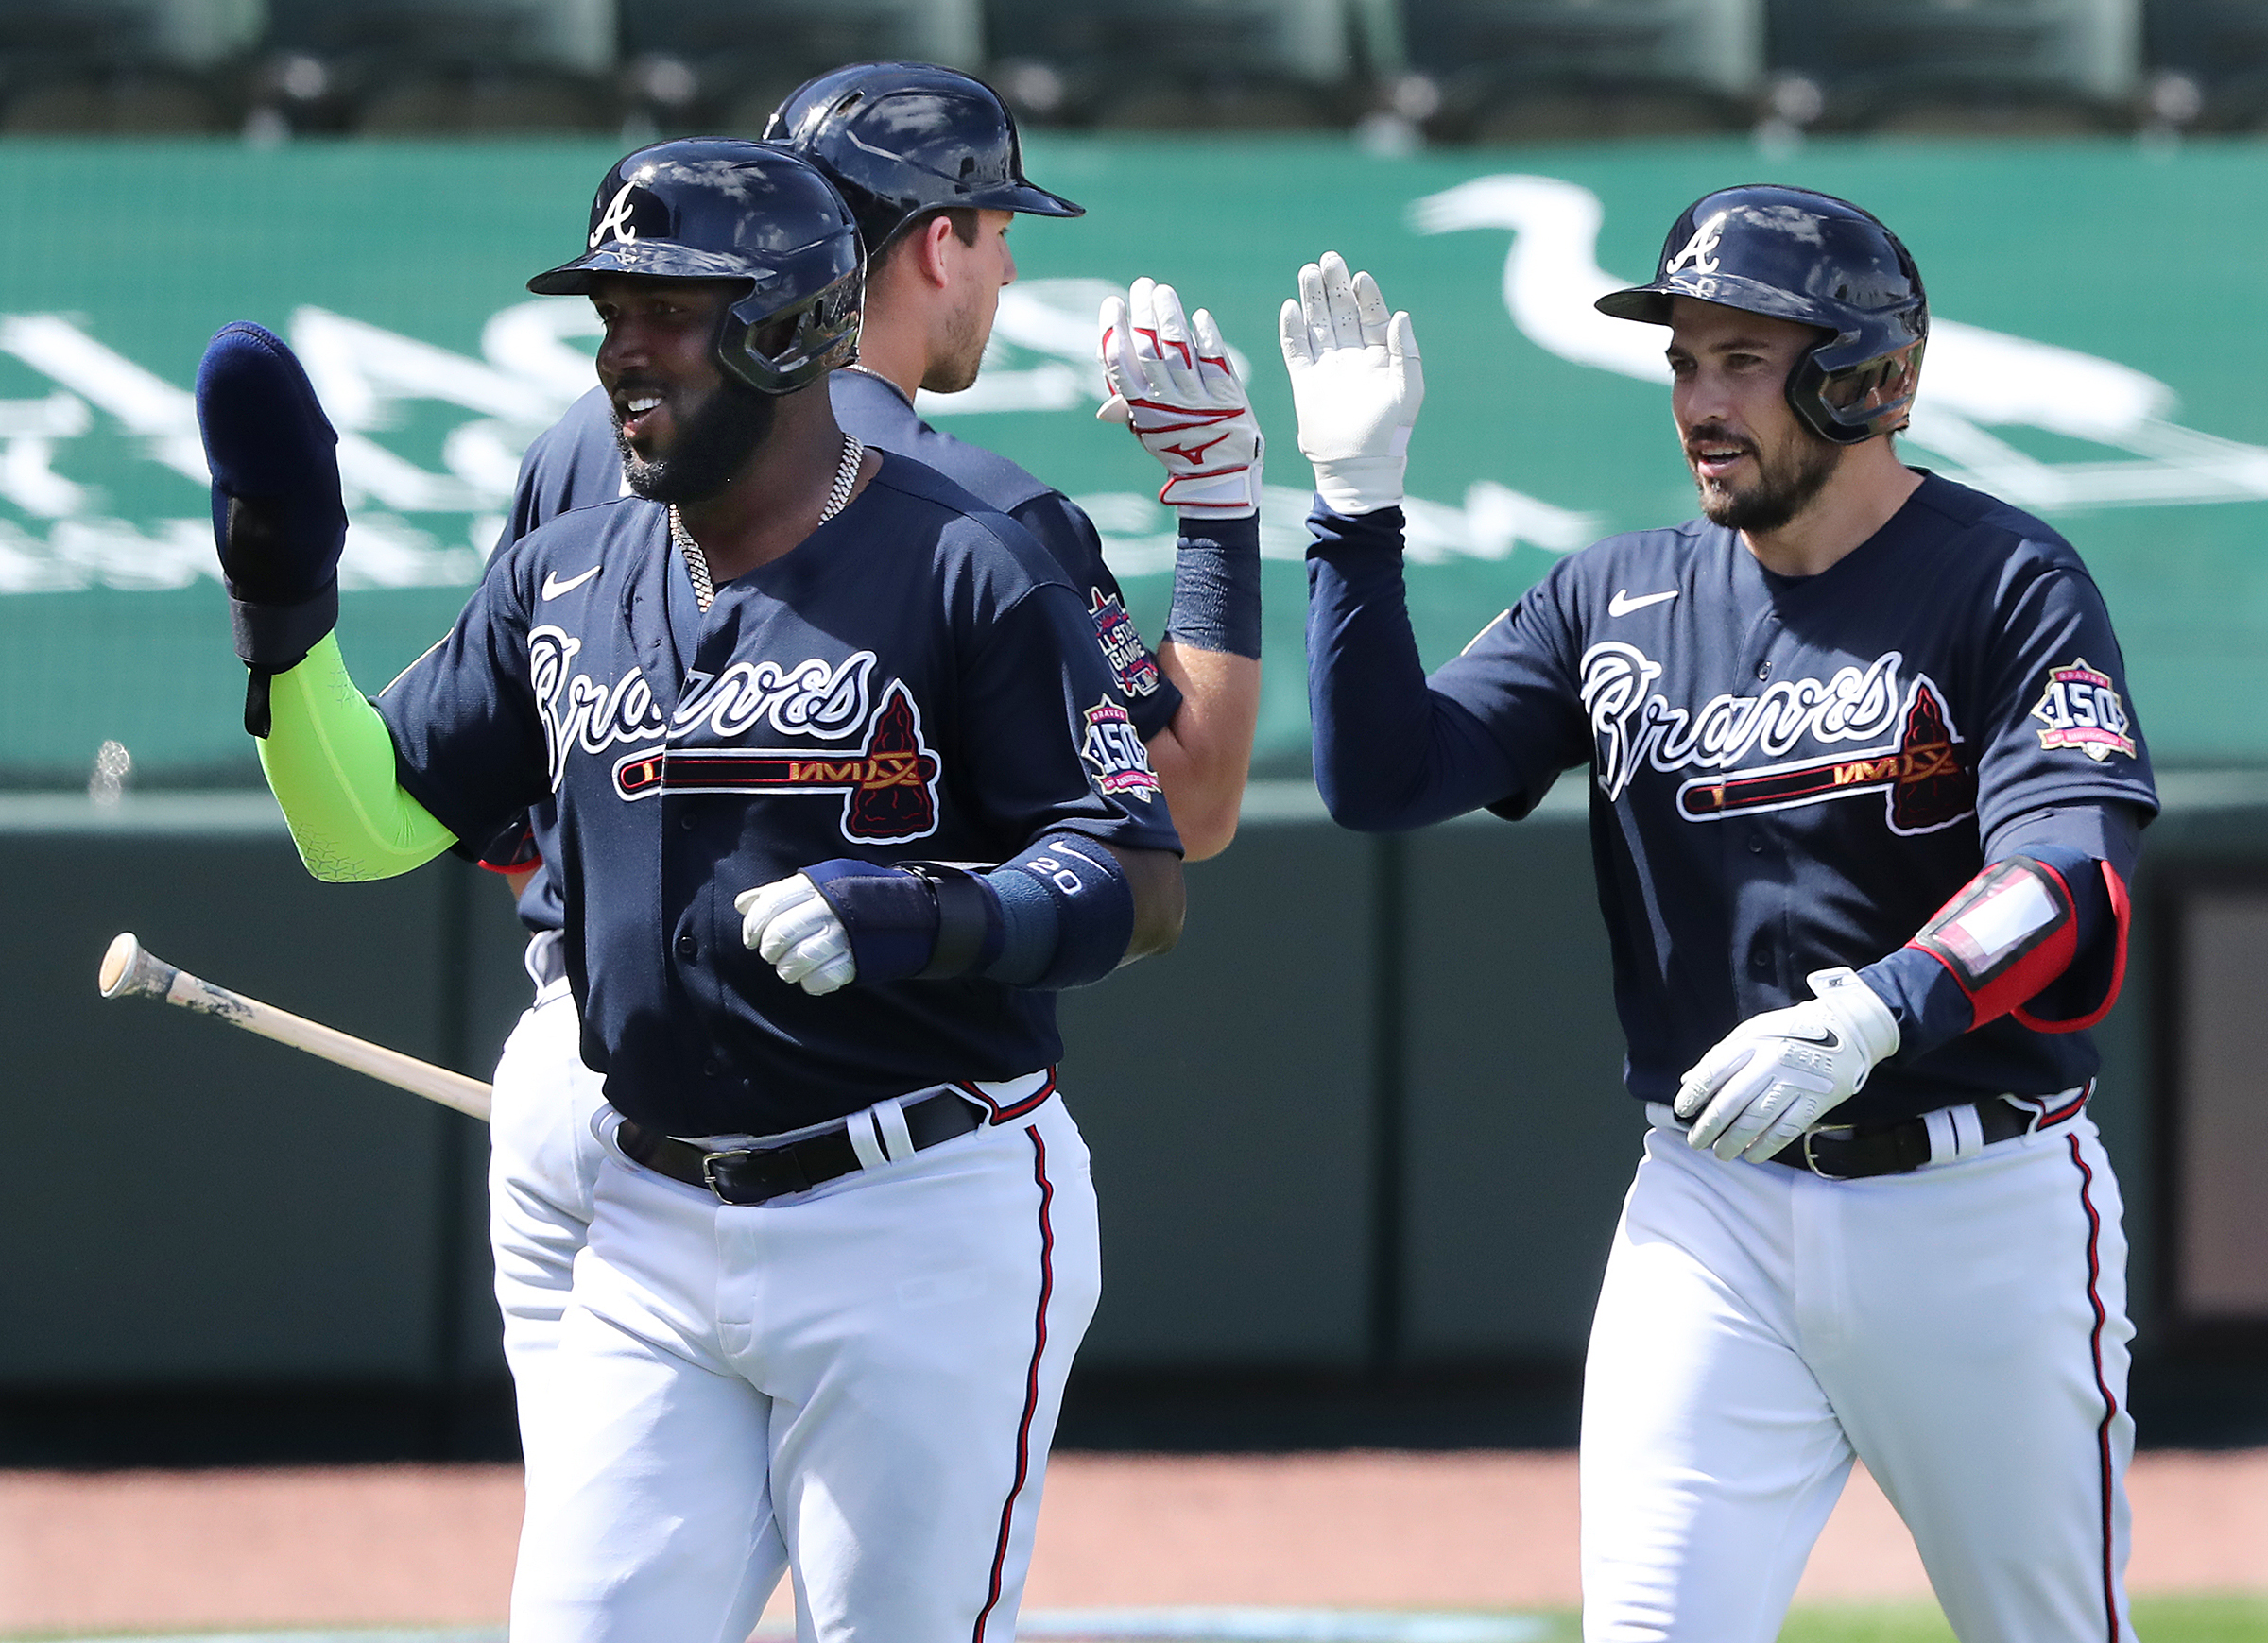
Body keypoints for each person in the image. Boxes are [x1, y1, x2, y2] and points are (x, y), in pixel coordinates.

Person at [196, 137, 1184, 1641]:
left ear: (789, 325)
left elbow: (1134, 874)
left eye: (668, 309)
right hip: (647, 1215)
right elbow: (363, 826)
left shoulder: (967, 560)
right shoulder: (567, 574)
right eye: (611, 312)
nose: (620, 353)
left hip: (921, 1207)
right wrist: (285, 618)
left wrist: (930, 915)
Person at [1287, 189, 2156, 1641]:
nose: (1699, 398)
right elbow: (1383, 779)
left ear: (1864, 373)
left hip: (1976, 1203)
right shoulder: (1613, 595)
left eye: (1743, 358)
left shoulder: (2003, 578)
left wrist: (1887, 1003)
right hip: (1711, 1208)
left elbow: (2070, 875)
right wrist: (1355, 509)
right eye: (1686, 360)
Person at [480, 58, 1263, 1536]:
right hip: (842, 1126)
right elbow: (1186, 811)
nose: (1009, 262)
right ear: (928, 242)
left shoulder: (584, 443)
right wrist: (1219, 513)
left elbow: (489, 789)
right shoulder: (969, 506)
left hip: (578, 1075)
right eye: (993, 224)